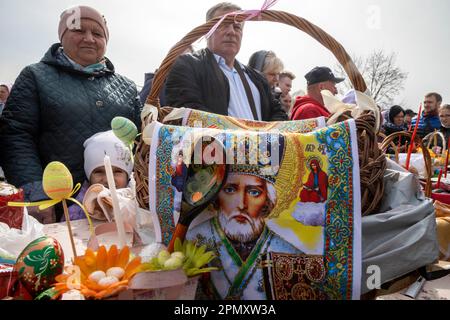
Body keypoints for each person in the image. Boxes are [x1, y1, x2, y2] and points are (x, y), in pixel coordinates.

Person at [0, 5, 141, 223]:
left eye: (97, 33)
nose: (89, 39)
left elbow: (139, 142)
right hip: (58, 205)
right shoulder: (36, 76)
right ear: (62, 36)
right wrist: (35, 191)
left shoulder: (126, 87)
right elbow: (16, 135)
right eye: (78, 31)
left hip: (120, 203)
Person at [186, 165, 302, 299]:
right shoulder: (192, 239)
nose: (241, 205)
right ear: (216, 196)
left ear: (267, 200)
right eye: (230, 190)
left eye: (254, 192)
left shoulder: (290, 255)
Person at [165, 2, 287, 121]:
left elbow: (278, 113)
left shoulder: (257, 78)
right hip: (213, 141)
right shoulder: (187, 66)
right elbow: (187, 113)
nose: (231, 32)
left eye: (237, 27)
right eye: (223, 24)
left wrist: (268, 138)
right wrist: (236, 137)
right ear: (207, 31)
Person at [64, 130, 133, 221]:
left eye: (117, 171)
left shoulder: (137, 205)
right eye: (99, 171)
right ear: (89, 176)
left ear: (127, 175)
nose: (108, 179)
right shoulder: (76, 213)